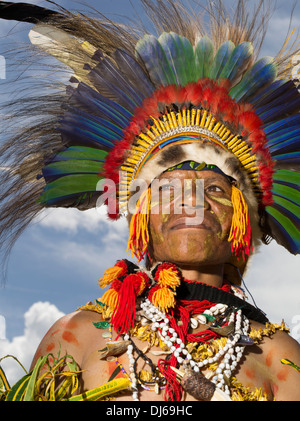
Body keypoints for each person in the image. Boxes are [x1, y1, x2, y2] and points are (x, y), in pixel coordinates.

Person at [0, 0, 300, 402]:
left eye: (214, 189)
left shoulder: (279, 358)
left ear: (245, 220)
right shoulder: (78, 336)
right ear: (140, 214)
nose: (192, 203)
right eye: (168, 189)